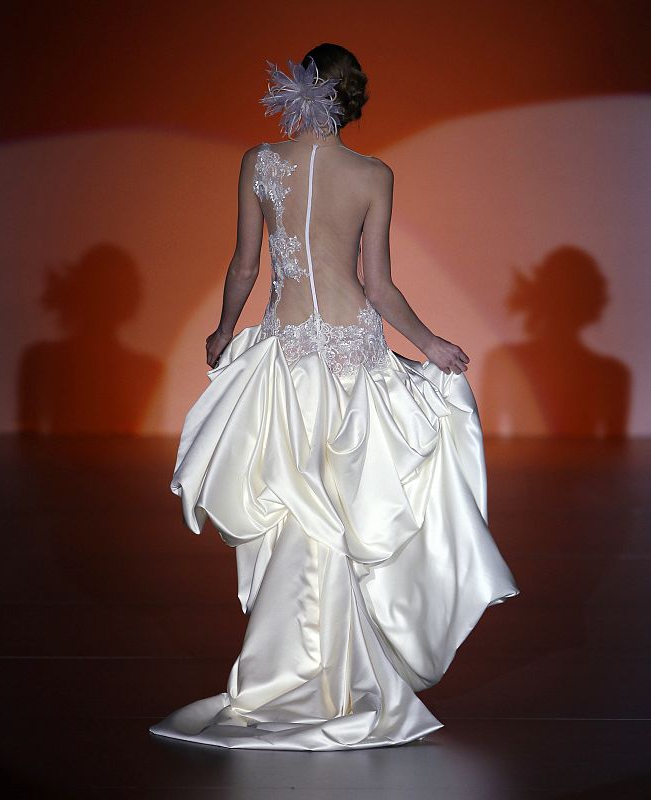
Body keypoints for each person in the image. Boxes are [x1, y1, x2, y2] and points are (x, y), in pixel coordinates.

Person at [149, 43, 520, 751]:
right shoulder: (373, 174)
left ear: (300, 91)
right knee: (350, 510)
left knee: (300, 513)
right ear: (353, 100)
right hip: (352, 358)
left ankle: (288, 673)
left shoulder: (260, 163)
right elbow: (377, 287)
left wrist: (225, 330)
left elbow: (246, 265)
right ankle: (347, 679)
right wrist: (431, 344)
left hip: (288, 361)